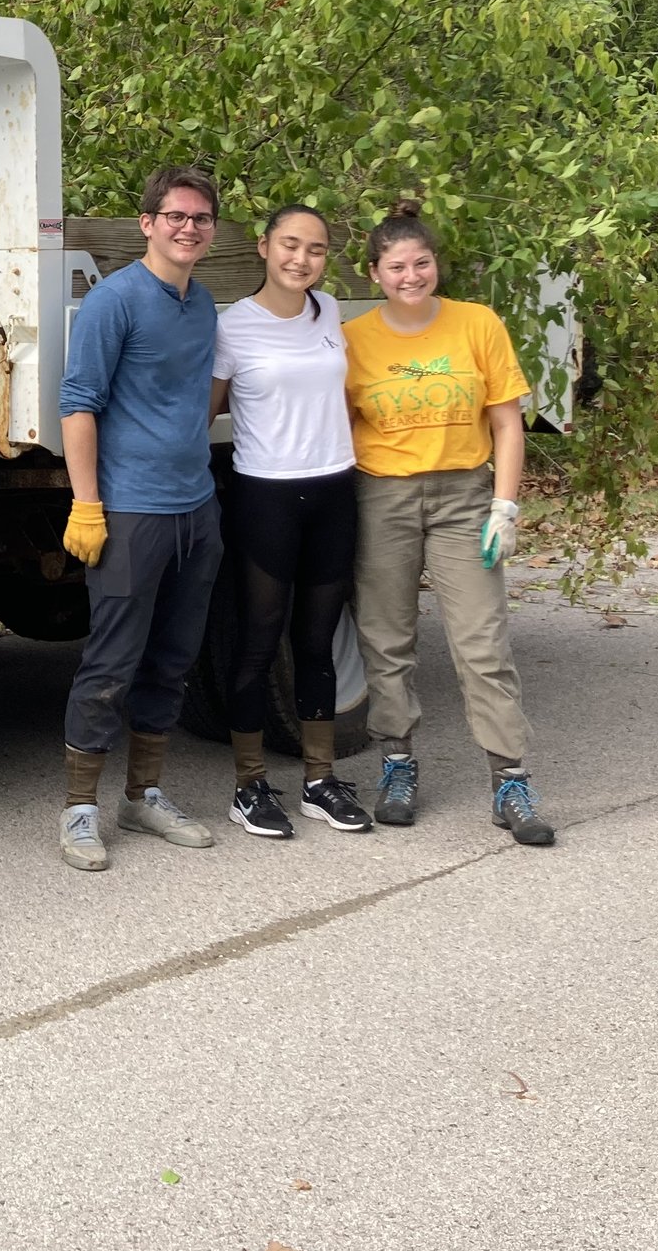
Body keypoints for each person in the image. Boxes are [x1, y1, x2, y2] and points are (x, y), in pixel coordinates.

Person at [344, 200, 555, 847]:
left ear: (436, 264)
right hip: (384, 497)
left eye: (422, 262)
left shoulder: (477, 323)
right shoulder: (354, 339)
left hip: (467, 498)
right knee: (386, 640)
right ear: (375, 273)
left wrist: (506, 504)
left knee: (482, 643)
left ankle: (510, 780)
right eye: (396, 266)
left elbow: (507, 420)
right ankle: (398, 764)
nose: (411, 275)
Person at [55, 165, 227, 871]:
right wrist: (87, 502)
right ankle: (79, 810)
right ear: (148, 222)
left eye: (201, 218)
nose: (189, 227)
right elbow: (77, 404)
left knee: (174, 658)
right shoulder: (116, 301)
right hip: (128, 512)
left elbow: (196, 399)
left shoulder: (203, 303)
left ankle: (144, 794)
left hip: (196, 508)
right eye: (176, 215)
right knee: (111, 663)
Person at [209, 204, 373, 839]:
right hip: (265, 497)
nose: (301, 259)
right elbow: (206, 413)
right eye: (290, 245)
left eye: (316, 249)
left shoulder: (329, 311)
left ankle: (319, 780)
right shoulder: (233, 328)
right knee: (257, 641)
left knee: (318, 642)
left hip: (333, 491)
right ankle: (249, 787)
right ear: (264, 247)